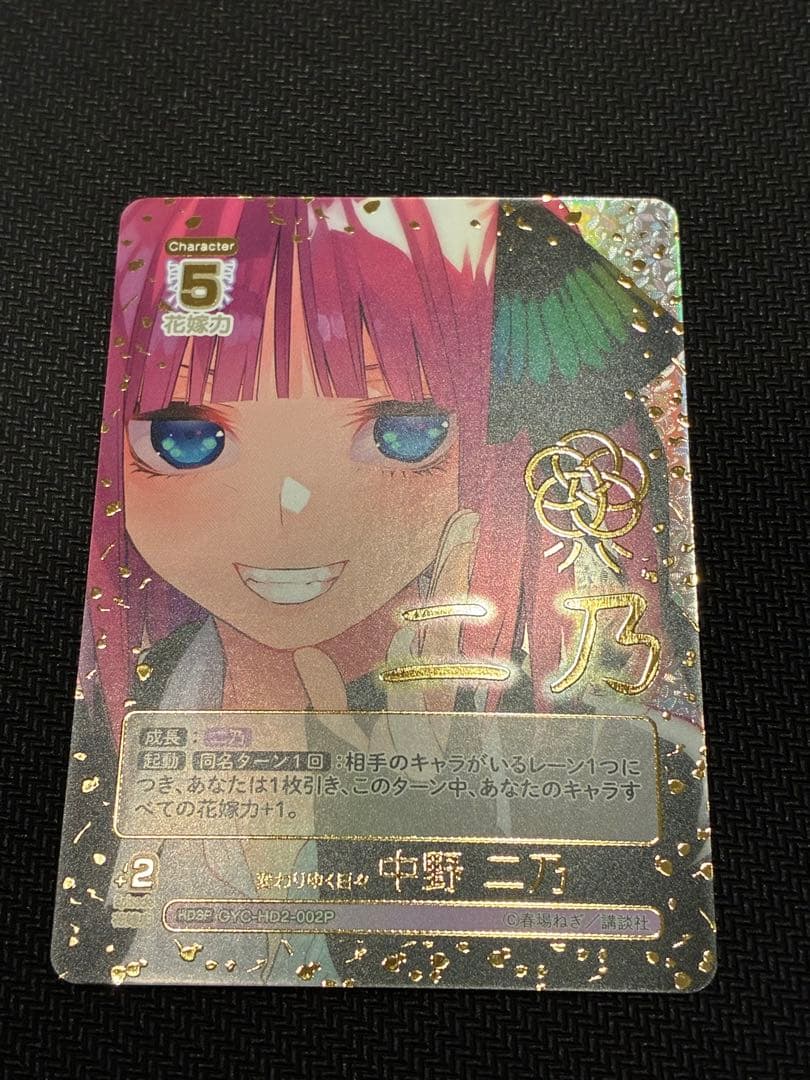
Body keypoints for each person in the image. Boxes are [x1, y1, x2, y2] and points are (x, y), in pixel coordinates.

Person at [73, 195, 701, 983]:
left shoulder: (583, 734)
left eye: (403, 432)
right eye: (187, 438)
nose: (292, 506)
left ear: (490, 448)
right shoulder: (130, 700)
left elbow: (619, 955)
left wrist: (403, 814)